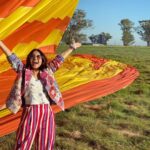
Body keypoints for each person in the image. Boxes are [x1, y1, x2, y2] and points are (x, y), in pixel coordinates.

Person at [0, 40, 81, 150]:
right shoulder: (23, 71)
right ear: (29, 60)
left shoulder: (47, 71)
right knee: (23, 143)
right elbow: (11, 57)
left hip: (47, 112)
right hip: (30, 111)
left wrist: (72, 48)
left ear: (42, 59)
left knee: (46, 144)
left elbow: (59, 59)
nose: (35, 58)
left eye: (38, 56)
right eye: (32, 57)